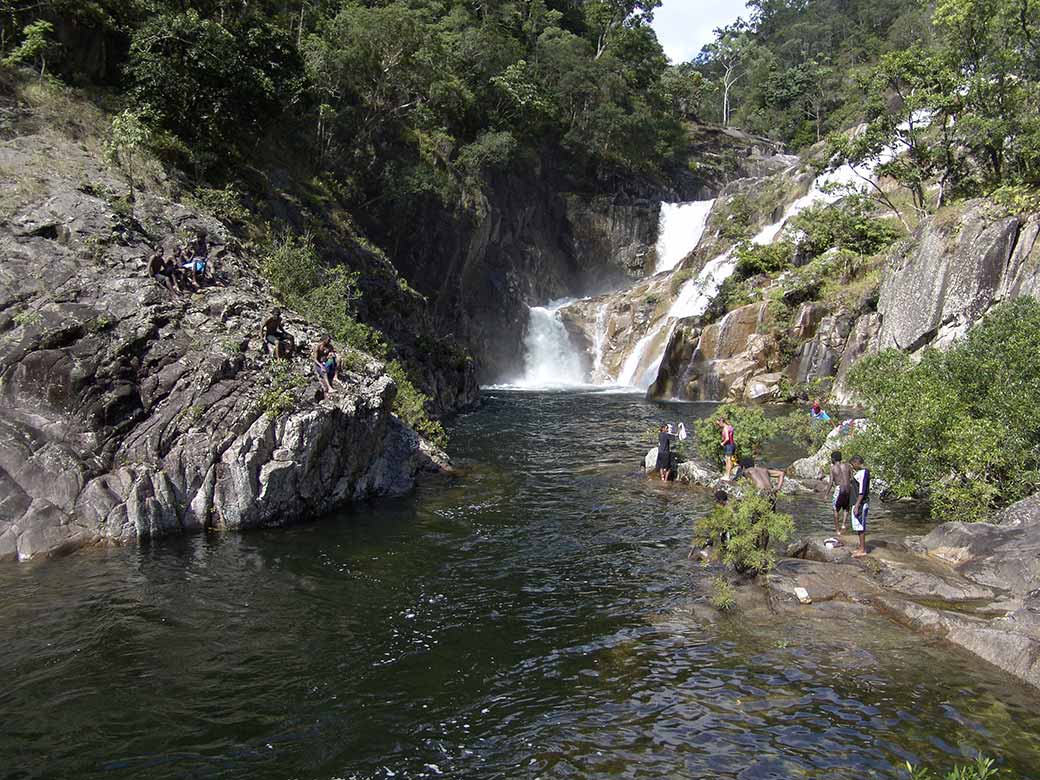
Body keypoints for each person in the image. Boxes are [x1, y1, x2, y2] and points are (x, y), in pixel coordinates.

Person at [849, 455, 871, 557]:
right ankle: (861, 547)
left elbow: (861, 491)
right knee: (858, 526)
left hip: (860, 504)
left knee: (861, 526)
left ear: (856, 463)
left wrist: (857, 505)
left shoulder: (863, 473)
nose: (852, 466)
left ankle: (862, 550)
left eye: (852, 464)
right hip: (856, 503)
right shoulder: (859, 473)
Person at [829, 450, 853, 535]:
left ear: (833, 459)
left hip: (839, 488)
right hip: (848, 488)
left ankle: (837, 531)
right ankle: (843, 525)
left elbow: (831, 482)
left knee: (836, 509)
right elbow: (852, 479)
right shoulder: (848, 466)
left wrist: (826, 494)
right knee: (846, 507)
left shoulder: (833, 468)